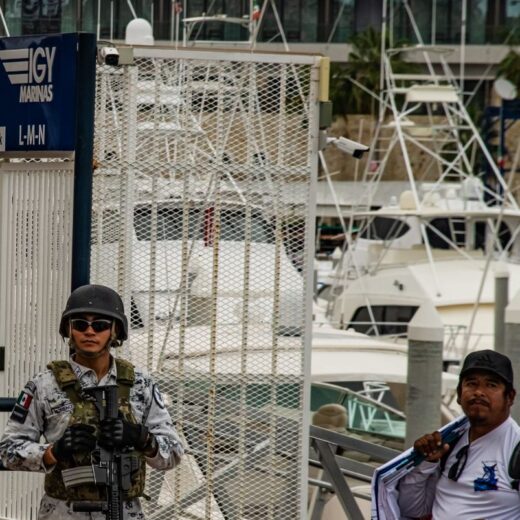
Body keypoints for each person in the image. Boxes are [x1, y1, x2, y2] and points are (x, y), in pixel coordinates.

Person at [0, 284, 184, 519]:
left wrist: (142, 438)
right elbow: (8, 451)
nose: (89, 332)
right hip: (63, 512)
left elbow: (174, 453)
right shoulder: (44, 385)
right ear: (69, 329)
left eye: (100, 325)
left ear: (115, 331)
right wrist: (52, 452)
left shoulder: (141, 384)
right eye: (80, 324)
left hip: (124, 512)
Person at [397, 349, 520, 519]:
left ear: (510, 397)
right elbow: (414, 511)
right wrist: (425, 462)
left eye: (491, 385)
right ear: (459, 395)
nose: (479, 392)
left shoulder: (516, 449)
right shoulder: (449, 442)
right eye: (471, 383)